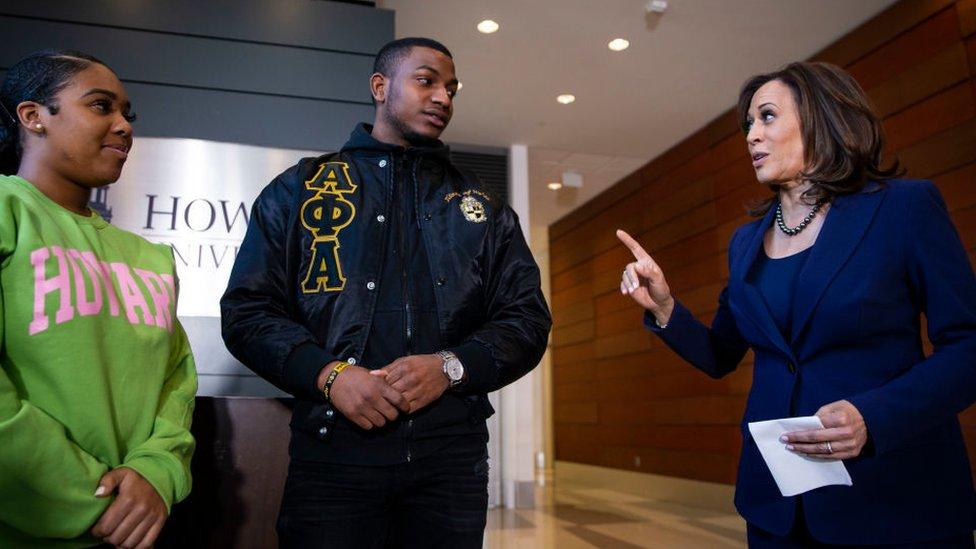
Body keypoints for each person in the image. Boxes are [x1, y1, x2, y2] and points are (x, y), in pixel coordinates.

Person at [617, 61, 976, 547]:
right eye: (747, 125)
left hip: (892, 498)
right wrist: (664, 308)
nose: (750, 136)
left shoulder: (904, 208)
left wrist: (874, 417)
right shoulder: (744, 243)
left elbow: (967, 348)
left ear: (821, 119)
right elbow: (722, 354)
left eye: (766, 117)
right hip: (776, 507)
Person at [220, 37, 550, 548]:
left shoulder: (483, 208)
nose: (444, 97)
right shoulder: (300, 189)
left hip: (451, 464)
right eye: (426, 81)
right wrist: (329, 375)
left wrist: (450, 366)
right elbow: (248, 311)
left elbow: (527, 320)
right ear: (380, 86)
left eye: (452, 88)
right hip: (332, 458)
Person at [0, 50, 197, 548]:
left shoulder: (150, 257)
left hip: (129, 530)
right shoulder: (8, 210)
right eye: (100, 105)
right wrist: (86, 492)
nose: (123, 126)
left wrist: (156, 472)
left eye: (126, 114)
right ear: (33, 116)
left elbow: (176, 383)